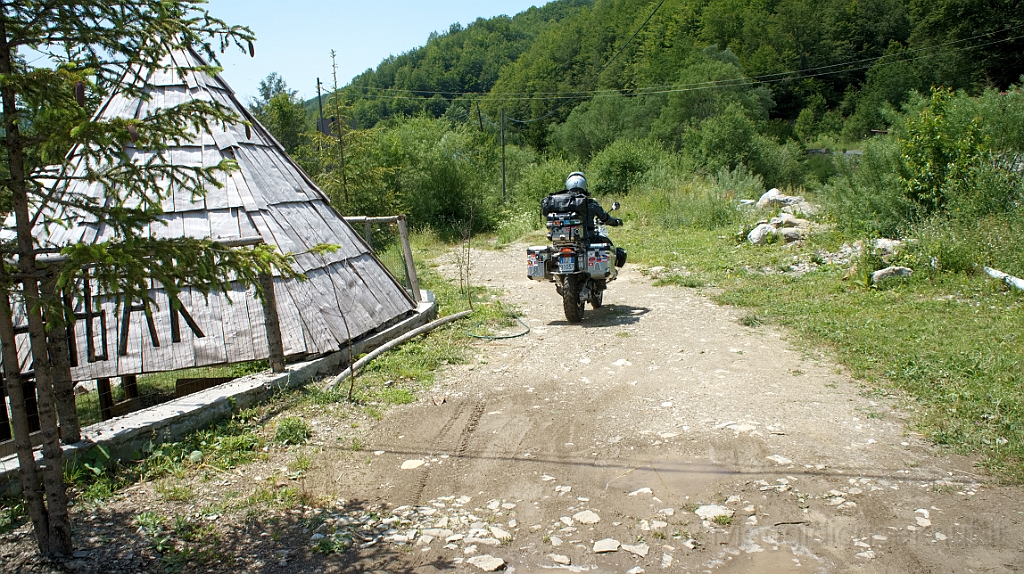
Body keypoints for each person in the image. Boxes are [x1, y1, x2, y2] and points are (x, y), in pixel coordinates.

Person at [557, 171, 622, 245]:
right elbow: (605, 217)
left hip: (563, 241)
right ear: (584, 185)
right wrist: (615, 222)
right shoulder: (591, 203)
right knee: (610, 247)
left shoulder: (560, 204)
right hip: (589, 239)